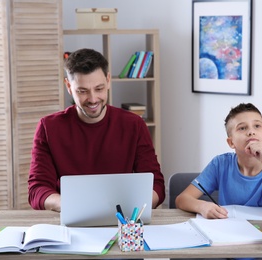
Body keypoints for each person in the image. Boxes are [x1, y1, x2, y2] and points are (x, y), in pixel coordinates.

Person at [28, 48, 165, 212]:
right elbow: (37, 190)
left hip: (123, 218)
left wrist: (132, 208)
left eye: (99, 89)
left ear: (108, 80)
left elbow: (156, 185)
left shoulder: (134, 125)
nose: (93, 99)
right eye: (82, 91)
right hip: (70, 217)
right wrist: (70, 205)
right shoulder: (48, 127)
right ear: (69, 86)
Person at [176, 103, 262, 218]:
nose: (251, 132)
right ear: (231, 142)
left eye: (257, 126)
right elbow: (182, 199)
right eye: (242, 128)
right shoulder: (220, 164)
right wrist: (202, 206)